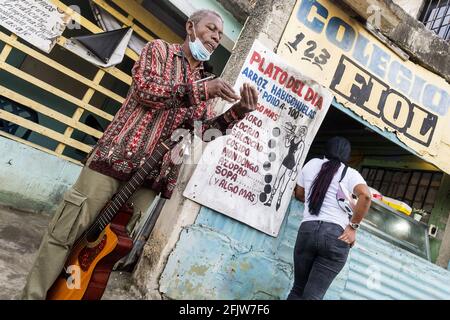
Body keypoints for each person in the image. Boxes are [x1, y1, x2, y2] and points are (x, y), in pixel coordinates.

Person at [22, 9, 258, 300]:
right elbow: (148, 90)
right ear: (190, 27)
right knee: (65, 235)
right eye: (211, 29)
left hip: (150, 181)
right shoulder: (159, 51)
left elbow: (202, 133)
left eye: (220, 35)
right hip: (112, 162)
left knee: (103, 252)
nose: (215, 37)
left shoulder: (206, 82)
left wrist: (238, 113)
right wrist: (201, 90)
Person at [287, 136, 371, 300]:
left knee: (297, 290)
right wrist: (352, 227)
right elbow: (366, 196)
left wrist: (318, 197)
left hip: (307, 231)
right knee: (312, 296)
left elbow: (299, 193)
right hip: (335, 236)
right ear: (347, 156)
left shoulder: (311, 164)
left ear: (326, 150)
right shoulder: (350, 174)